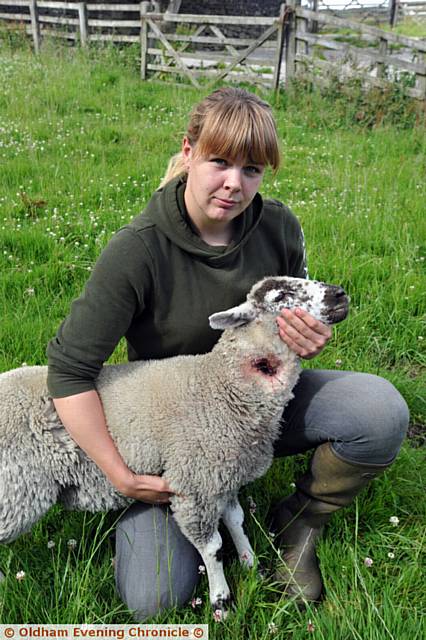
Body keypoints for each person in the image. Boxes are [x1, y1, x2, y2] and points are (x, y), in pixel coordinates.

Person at [47, 87, 409, 619]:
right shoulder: (138, 250)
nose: (235, 184)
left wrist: (309, 332)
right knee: (156, 599)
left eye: (253, 169)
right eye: (219, 161)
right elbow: (70, 372)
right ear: (189, 149)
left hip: (256, 405)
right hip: (171, 430)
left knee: (379, 412)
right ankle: (168, 509)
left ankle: (299, 523)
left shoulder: (278, 226)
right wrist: (122, 475)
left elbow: (298, 308)